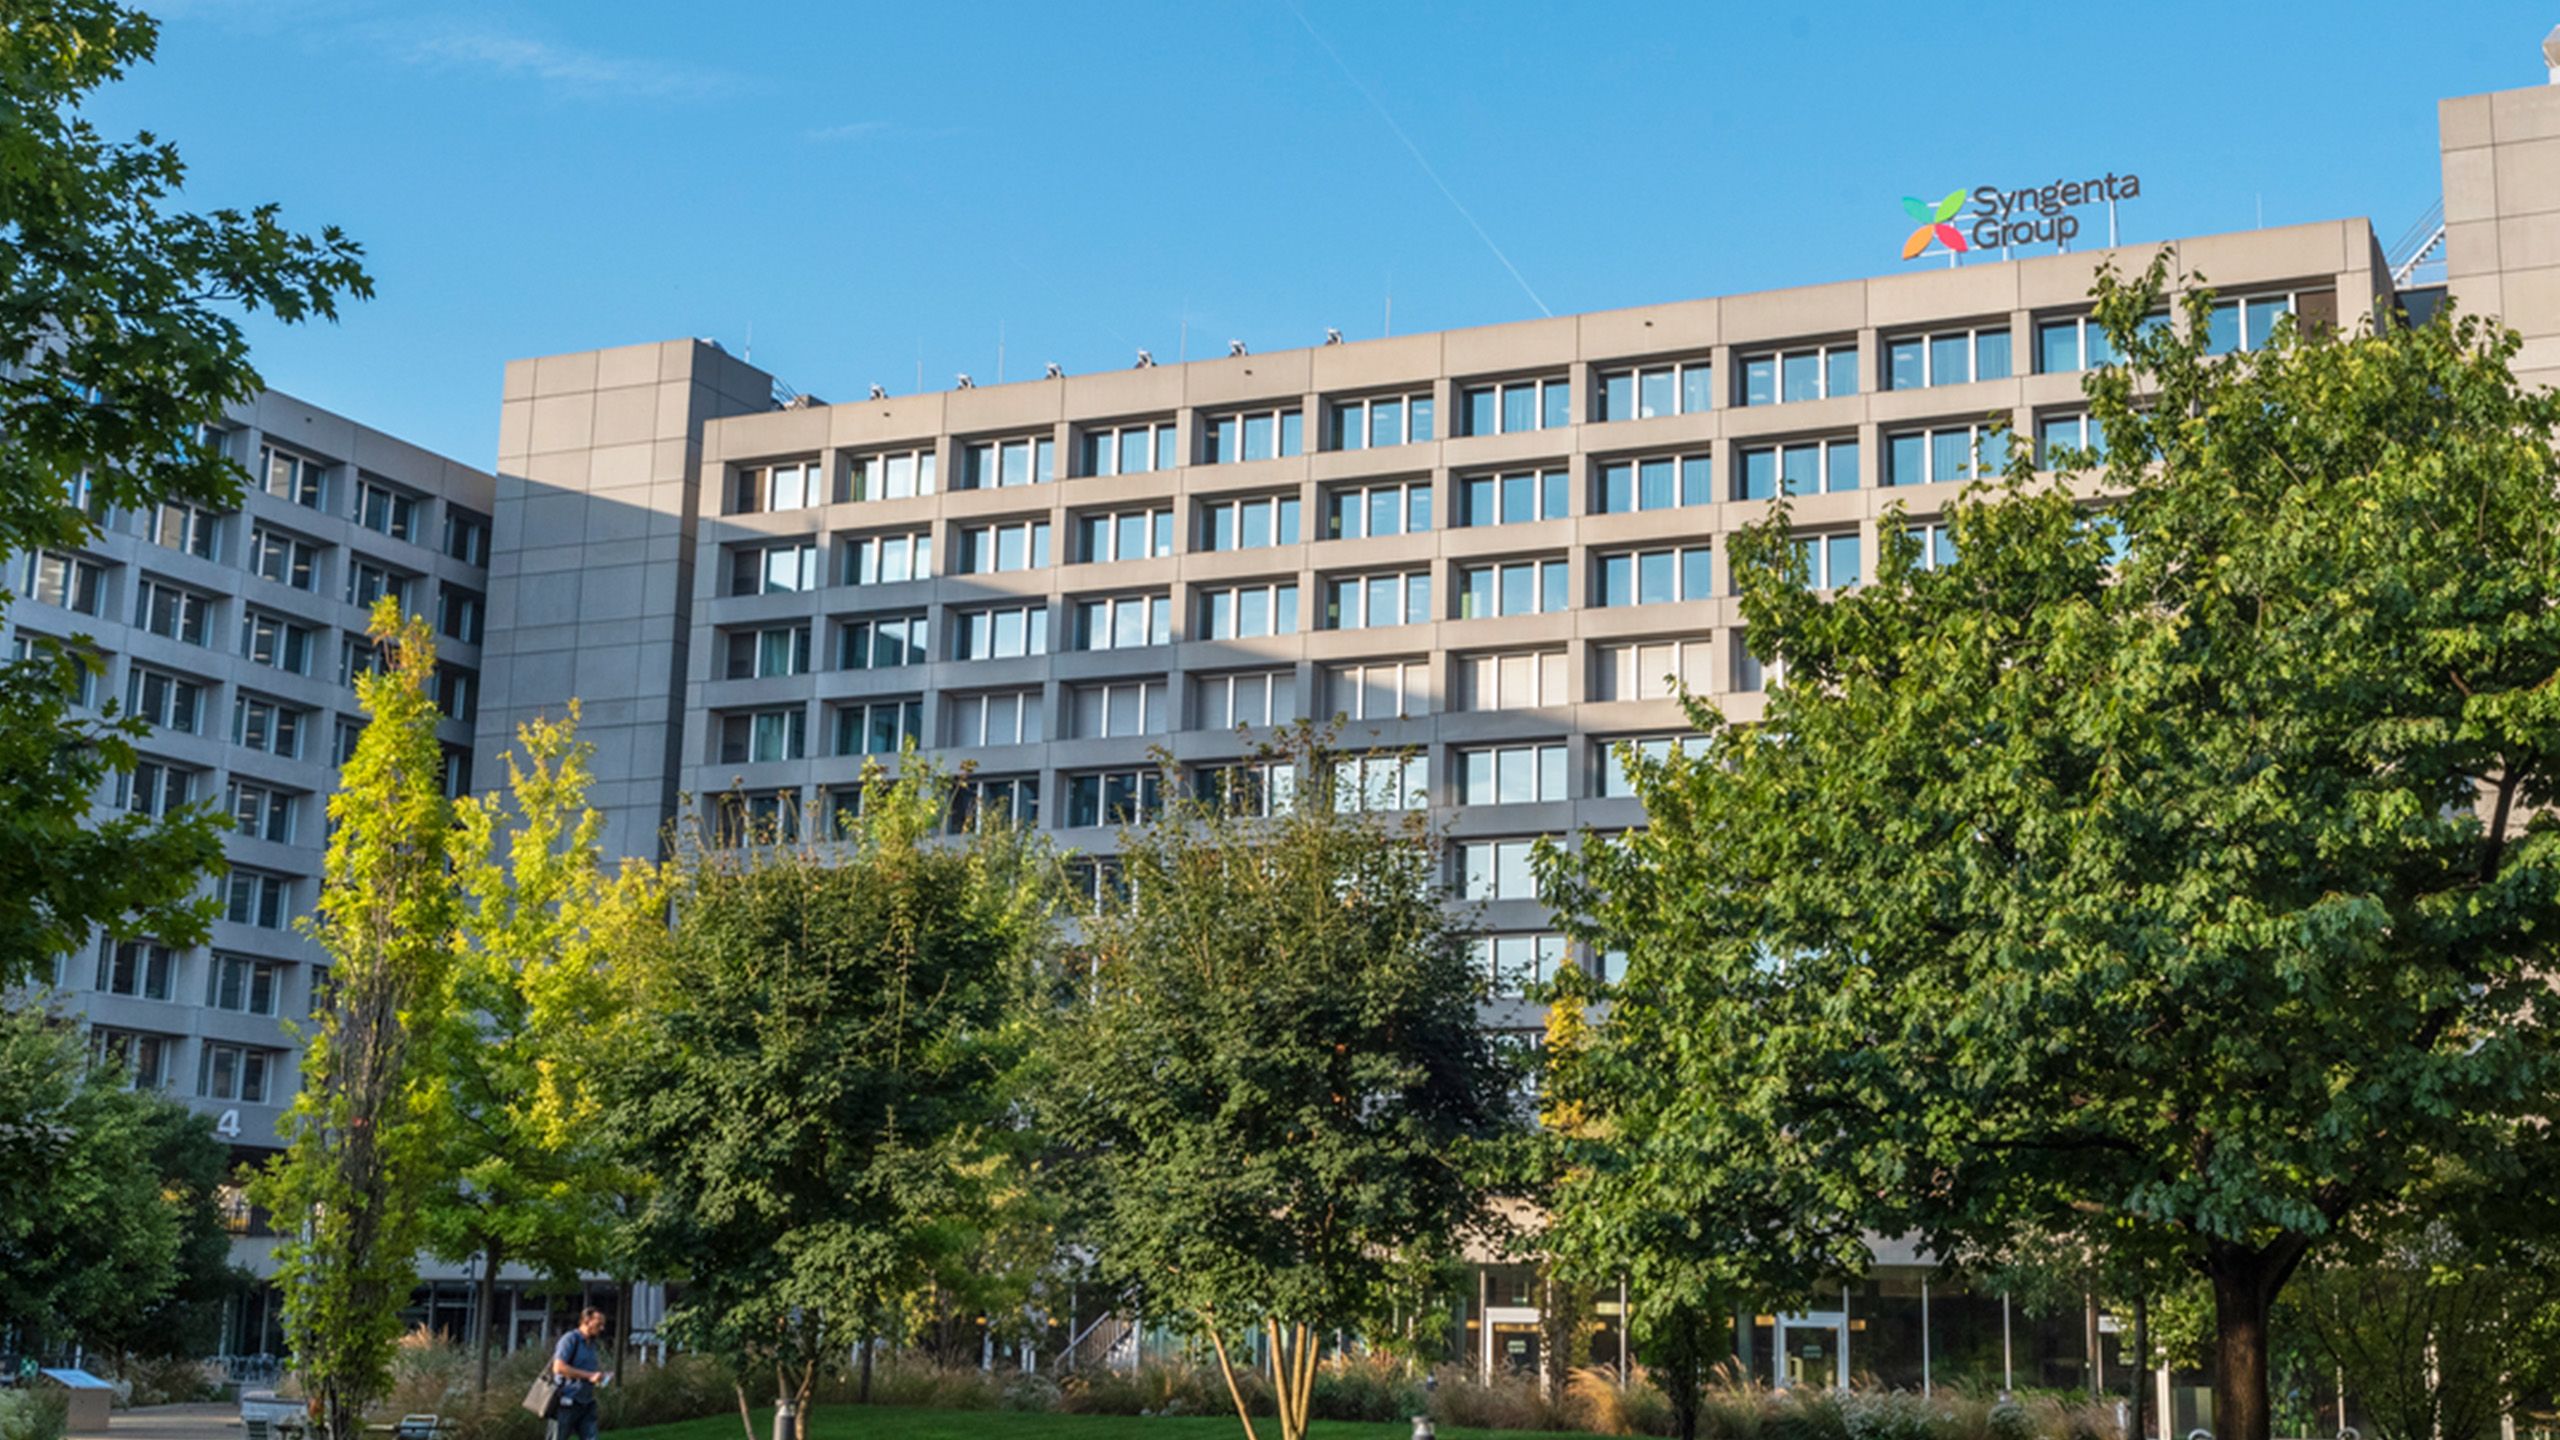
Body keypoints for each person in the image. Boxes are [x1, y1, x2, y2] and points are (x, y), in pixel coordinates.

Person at [549, 1308, 611, 1440]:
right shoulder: (570, 1339)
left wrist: (600, 1377)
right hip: (567, 1401)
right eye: (598, 1324)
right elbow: (558, 1367)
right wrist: (589, 1376)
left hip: (586, 1402)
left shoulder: (592, 1344)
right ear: (587, 1321)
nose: (602, 1328)